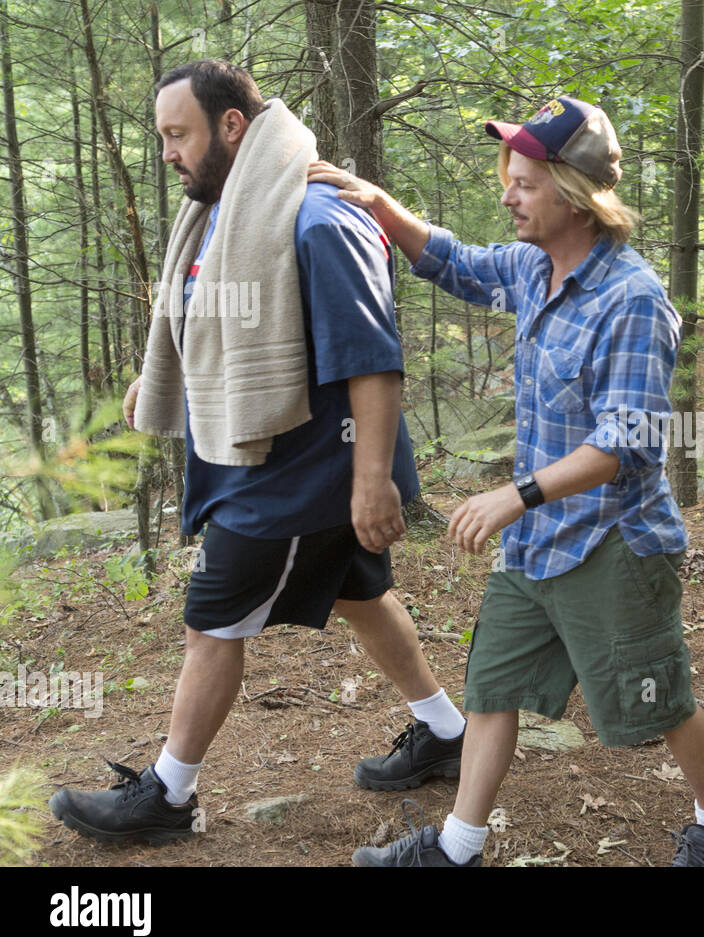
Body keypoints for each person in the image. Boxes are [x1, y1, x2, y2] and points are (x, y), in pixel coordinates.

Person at [309, 94, 704, 866]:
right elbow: (452, 260)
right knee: (491, 687)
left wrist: (516, 494)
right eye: (508, 180)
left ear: (575, 194)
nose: (507, 196)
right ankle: (457, 846)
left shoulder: (632, 300)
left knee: (658, 702)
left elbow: (630, 442)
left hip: (614, 547)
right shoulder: (531, 266)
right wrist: (378, 203)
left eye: (524, 184)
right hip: (538, 545)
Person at [49, 61, 464, 846]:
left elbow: (374, 360)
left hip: (302, 474)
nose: (168, 152)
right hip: (261, 460)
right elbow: (206, 311)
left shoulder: (316, 219)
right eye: (163, 136)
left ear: (232, 127)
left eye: (180, 134)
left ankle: (169, 797)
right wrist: (157, 372)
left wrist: (371, 483)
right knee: (357, 595)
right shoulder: (223, 211)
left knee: (213, 621)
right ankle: (445, 729)